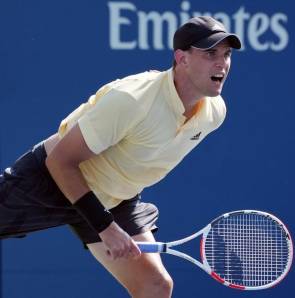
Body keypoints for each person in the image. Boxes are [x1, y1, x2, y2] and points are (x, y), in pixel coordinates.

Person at [0, 16, 241, 298]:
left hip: (115, 199)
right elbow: (60, 162)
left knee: (156, 286)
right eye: (210, 53)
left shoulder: (214, 113)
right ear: (181, 59)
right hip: (52, 178)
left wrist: (107, 220)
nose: (222, 63)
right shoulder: (133, 99)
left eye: (226, 54)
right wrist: (105, 227)